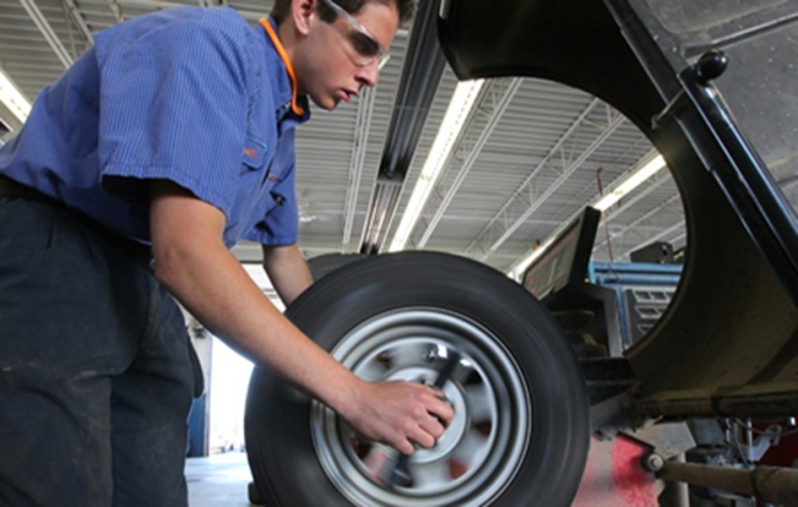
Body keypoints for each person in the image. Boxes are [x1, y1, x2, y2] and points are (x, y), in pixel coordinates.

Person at [0, 0, 453, 505]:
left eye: (380, 59)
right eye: (363, 46)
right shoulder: (212, 46)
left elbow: (285, 262)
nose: (370, 76)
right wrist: (353, 396)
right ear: (306, 11)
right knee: (57, 485)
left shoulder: (279, 131)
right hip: (53, 251)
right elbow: (186, 253)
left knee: (153, 485)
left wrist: (364, 367)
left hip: (137, 278)